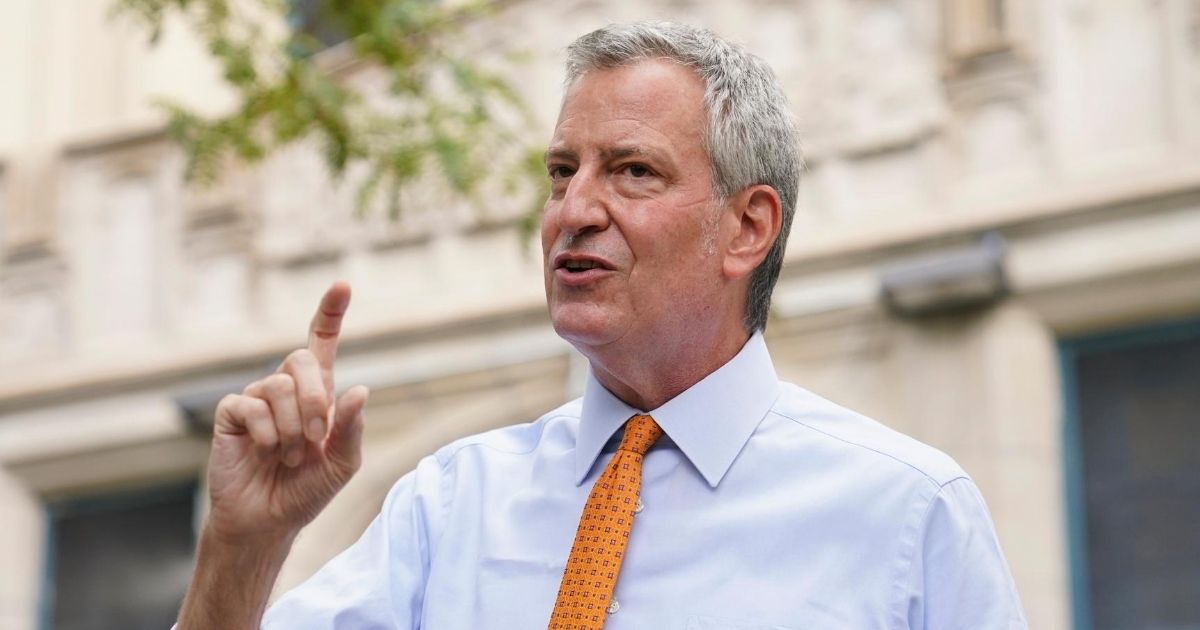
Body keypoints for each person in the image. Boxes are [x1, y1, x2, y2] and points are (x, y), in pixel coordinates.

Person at [175, 21, 1027, 630]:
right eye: (560, 172)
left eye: (631, 171)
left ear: (747, 228)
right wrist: (242, 548)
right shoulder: (446, 507)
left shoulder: (909, 514)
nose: (573, 210)